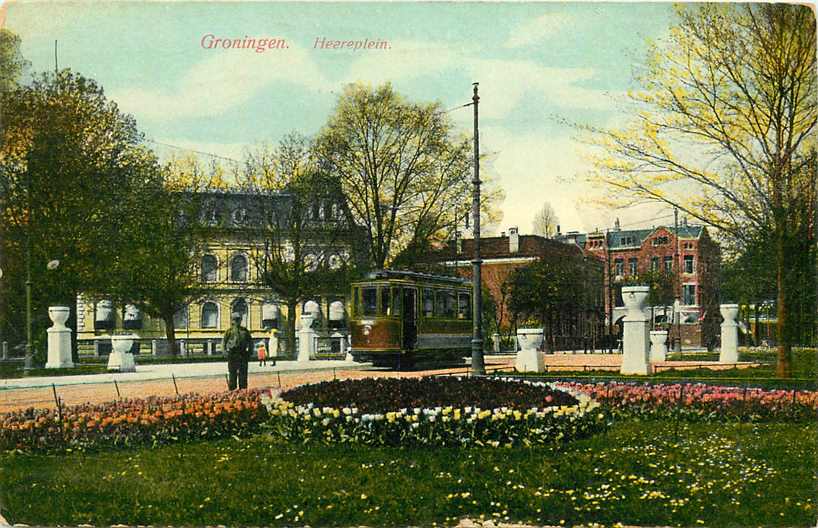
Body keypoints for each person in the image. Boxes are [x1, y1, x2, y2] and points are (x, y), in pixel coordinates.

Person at [223, 313, 252, 390]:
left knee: (243, 373)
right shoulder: (229, 331)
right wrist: (224, 352)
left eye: (238, 319)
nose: (237, 321)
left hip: (242, 353)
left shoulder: (245, 331)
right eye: (235, 320)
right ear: (232, 321)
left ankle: (243, 390)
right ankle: (232, 390)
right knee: (232, 373)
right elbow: (223, 342)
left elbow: (250, 342)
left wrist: (250, 352)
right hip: (232, 354)